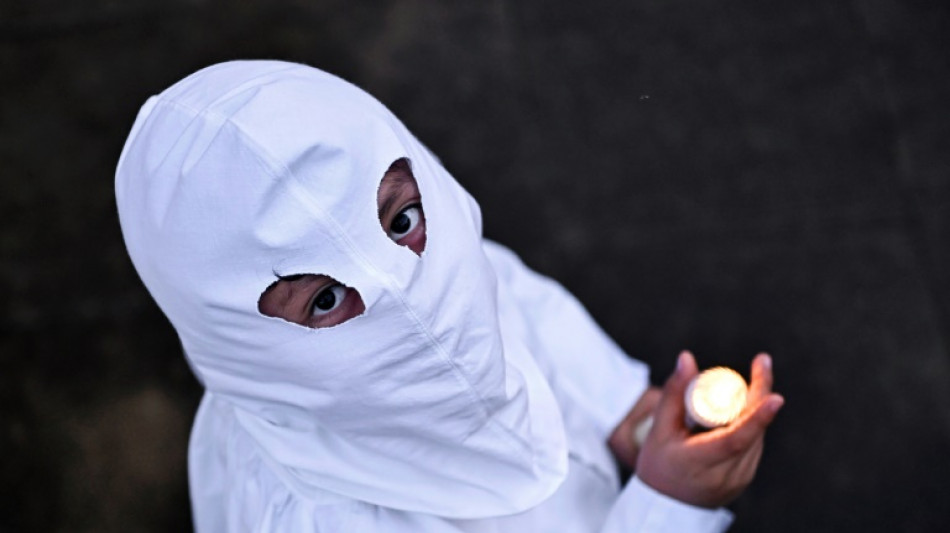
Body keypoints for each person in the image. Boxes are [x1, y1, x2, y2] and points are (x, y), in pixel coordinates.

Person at [115, 60, 783, 532]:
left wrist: (632, 418)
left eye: (399, 219)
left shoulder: (452, 254)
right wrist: (669, 508)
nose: (406, 288)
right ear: (246, 349)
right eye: (323, 300)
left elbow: (523, 307)